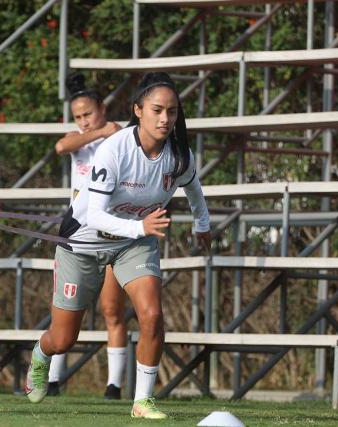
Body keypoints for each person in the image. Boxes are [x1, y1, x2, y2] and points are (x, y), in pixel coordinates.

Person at [25, 72, 211, 419]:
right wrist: (140, 225)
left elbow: (194, 187)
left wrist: (203, 225)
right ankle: (40, 353)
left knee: (152, 316)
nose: (164, 118)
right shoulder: (115, 148)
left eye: (171, 111)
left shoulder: (178, 155)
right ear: (137, 110)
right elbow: (94, 215)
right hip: (83, 241)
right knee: (64, 338)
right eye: (157, 110)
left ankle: (142, 401)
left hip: (133, 243)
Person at [49, 73, 125, 399]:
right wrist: (94, 131)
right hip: (78, 235)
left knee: (111, 310)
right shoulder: (81, 138)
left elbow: (119, 134)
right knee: (67, 311)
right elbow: (62, 145)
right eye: (78, 117)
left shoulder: (118, 136)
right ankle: (52, 378)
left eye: (88, 115)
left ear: (102, 109)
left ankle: (114, 386)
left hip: (111, 233)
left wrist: (107, 132)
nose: (83, 122)